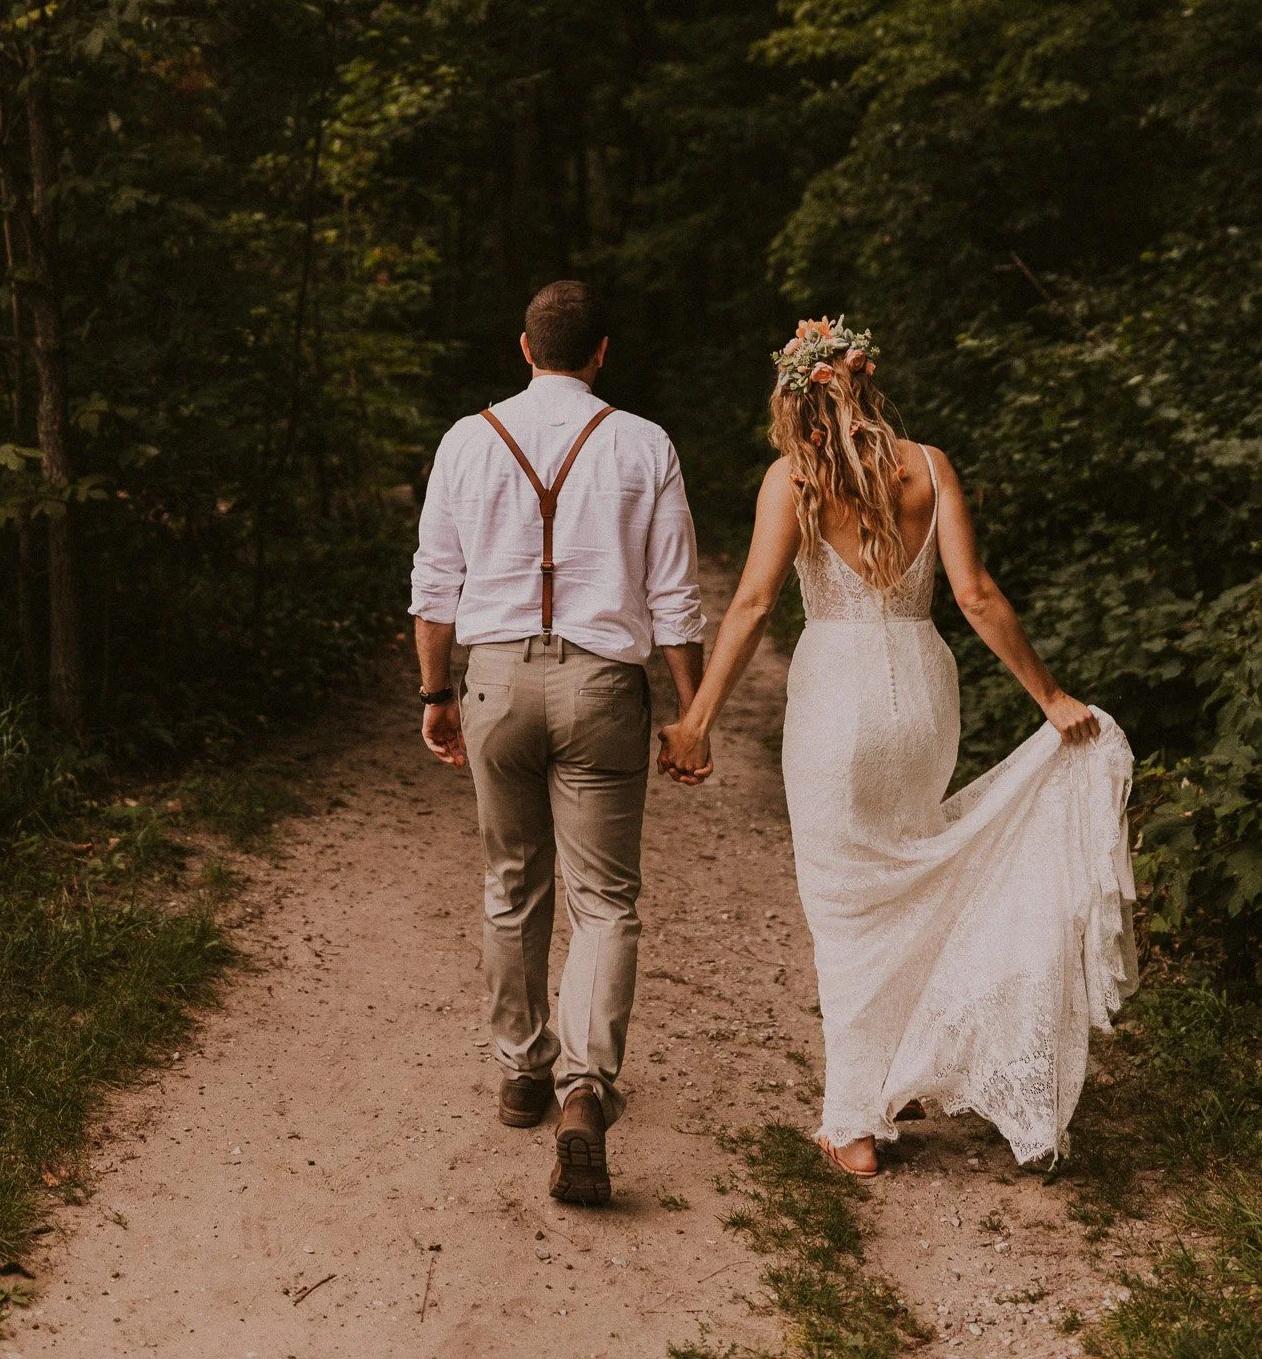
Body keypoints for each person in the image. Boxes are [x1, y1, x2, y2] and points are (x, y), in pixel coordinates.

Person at [658, 315, 1137, 1178]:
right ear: (866, 382)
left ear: (794, 400)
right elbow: (977, 596)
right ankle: (898, 1073)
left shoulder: (792, 480)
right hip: (921, 695)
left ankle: (852, 1121)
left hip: (834, 704)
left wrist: (696, 720)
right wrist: (1051, 696)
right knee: (910, 879)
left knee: (846, 910)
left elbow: (754, 605)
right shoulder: (931, 467)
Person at [410, 279, 705, 1204]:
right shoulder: (643, 441)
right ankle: (585, 1089)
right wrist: (688, 712)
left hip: (496, 679)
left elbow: (434, 583)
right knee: (605, 899)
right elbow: (673, 595)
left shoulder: (468, 438)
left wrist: (435, 694)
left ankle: (521, 1070)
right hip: (602, 687)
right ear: (602, 352)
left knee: (510, 881)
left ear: (524, 347)